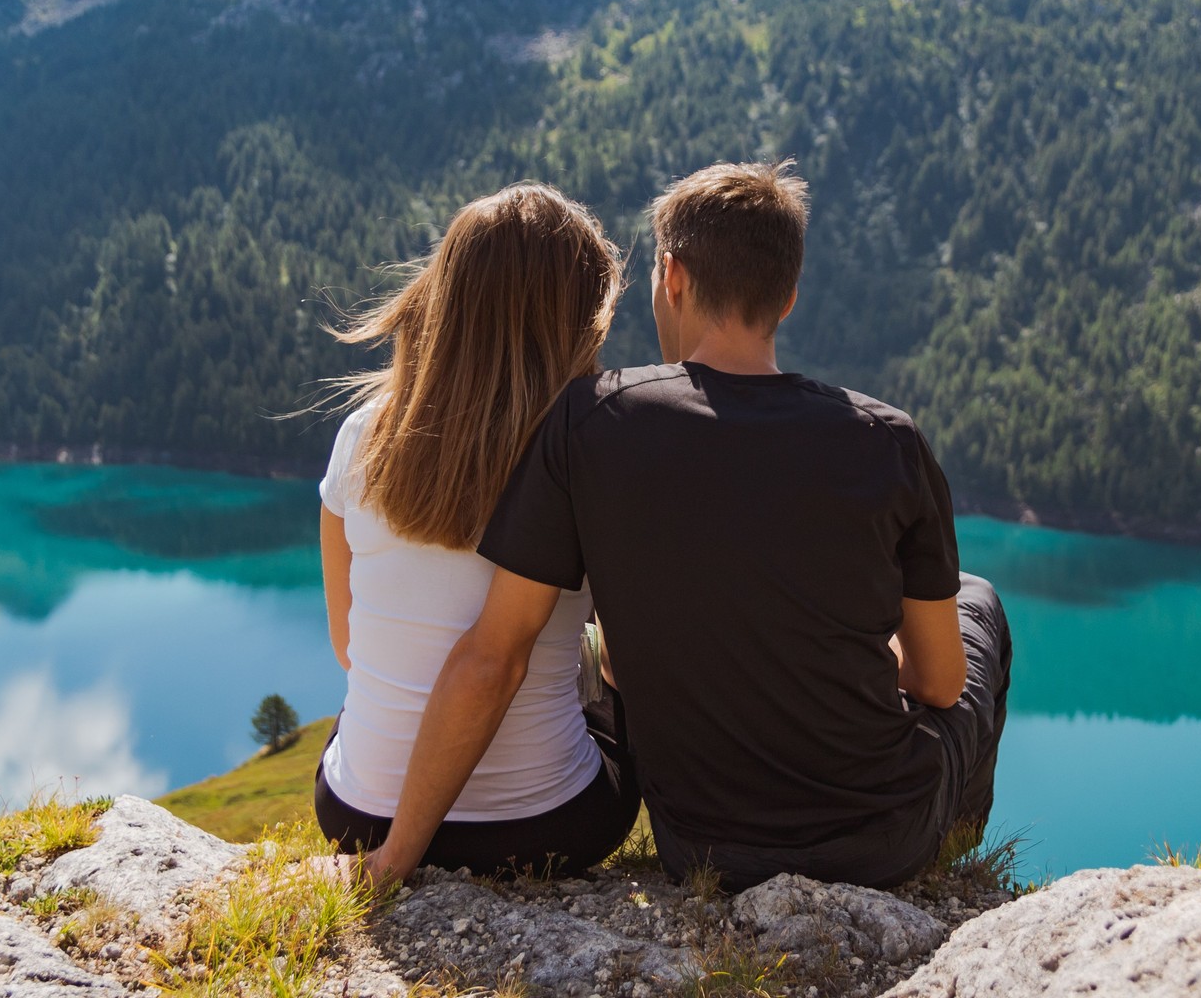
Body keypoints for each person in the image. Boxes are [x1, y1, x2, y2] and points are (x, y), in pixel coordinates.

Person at [358, 160, 1013, 892]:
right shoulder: (889, 441)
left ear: (671, 276)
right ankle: (954, 853)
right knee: (976, 601)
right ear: (788, 298)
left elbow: (532, 654)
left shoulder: (591, 423)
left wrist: (392, 858)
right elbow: (939, 682)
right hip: (883, 842)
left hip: (698, 845)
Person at [313, 182, 639, 877]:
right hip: (548, 824)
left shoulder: (364, 435)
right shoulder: (592, 451)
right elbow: (638, 656)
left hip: (356, 816)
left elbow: (348, 644)